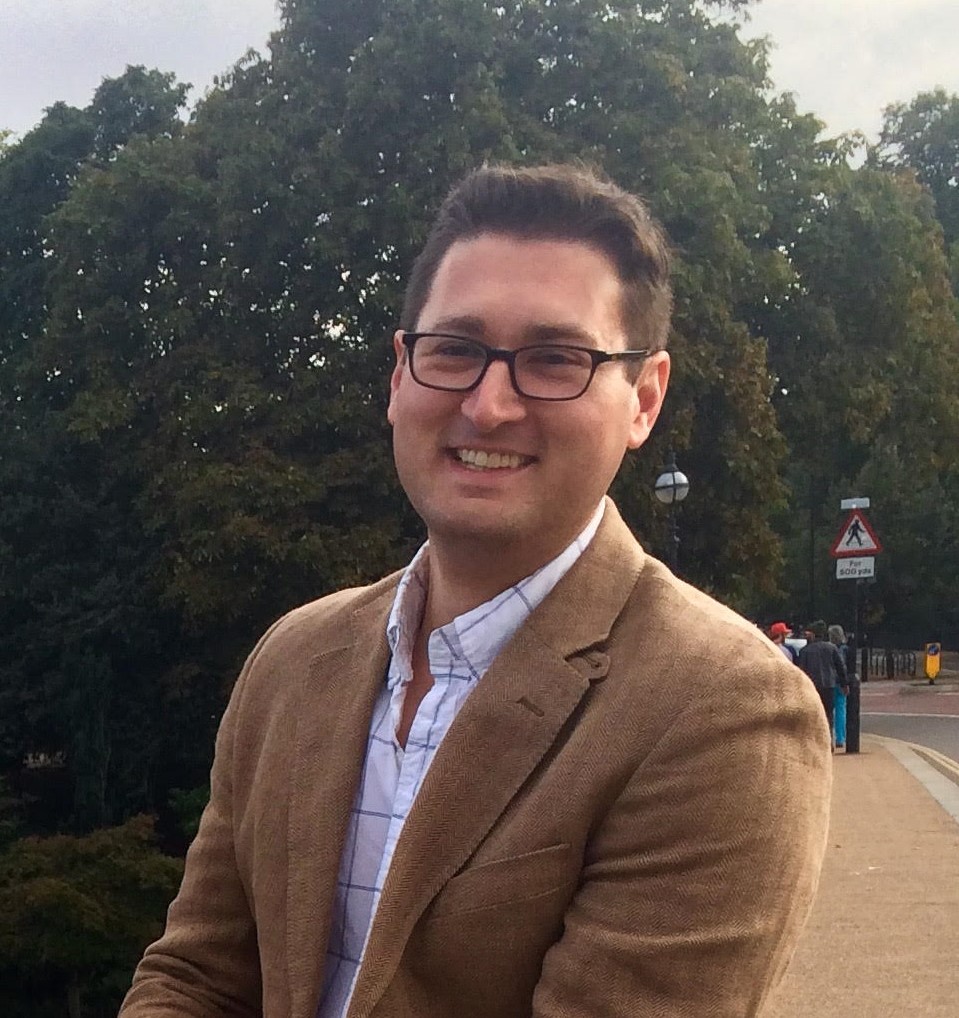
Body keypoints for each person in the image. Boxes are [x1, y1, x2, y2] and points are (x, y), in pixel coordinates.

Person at [120, 164, 831, 1018]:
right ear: (398, 376)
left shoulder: (722, 710)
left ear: (642, 399)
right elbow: (195, 980)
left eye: (554, 359)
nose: (489, 405)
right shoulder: (293, 657)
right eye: (454, 349)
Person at [798, 619, 848, 741]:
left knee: (814, 715)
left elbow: (801, 671)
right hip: (829, 684)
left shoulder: (804, 651)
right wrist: (844, 684)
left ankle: (817, 740)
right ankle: (829, 739)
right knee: (829, 714)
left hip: (812, 686)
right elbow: (840, 667)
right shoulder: (831, 648)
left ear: (813, 635)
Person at [828, 624, 853, 749]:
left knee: (829, 711)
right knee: (841, 710)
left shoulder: (828, 648)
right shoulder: (845, 649)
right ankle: (840, 738)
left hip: (830, 682)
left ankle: (829, 737)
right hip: (841, 682)